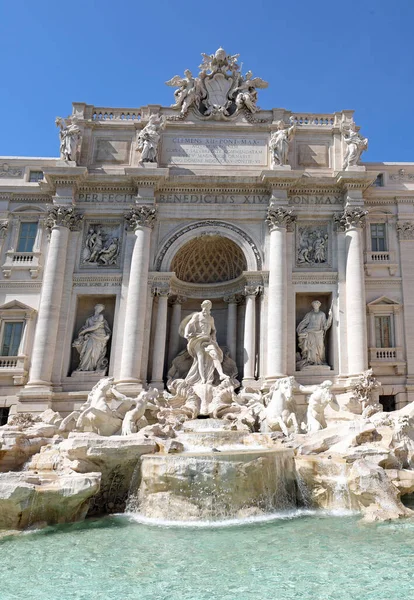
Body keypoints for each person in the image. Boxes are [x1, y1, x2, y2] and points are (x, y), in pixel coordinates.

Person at [181, 300, 227, 385]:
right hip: (198, 338)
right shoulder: (197, 315)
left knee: (215, 354)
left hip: (208, 340)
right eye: (205, 306)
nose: (207, 308)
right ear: (202, 306)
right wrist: (186, 333)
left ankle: (221, 374)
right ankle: (203, 379)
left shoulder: (210, 318)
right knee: (200, 359)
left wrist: (214, 339)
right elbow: (190, 324)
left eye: (208, 306)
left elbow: (213, 330)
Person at [72, 304, 111, 372]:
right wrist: (82, 333)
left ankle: (92, 368)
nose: (99, 309)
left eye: (101, 309)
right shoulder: (89, 319)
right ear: (95, 308)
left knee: (96, 352)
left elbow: (95, 327)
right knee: (88, 350)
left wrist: (84, 331)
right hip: (91, 336)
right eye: (98, 308)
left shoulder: (101, 316)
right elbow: (85, 327)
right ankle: (83, 367)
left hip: (100, 335)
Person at [296, 300, 332, 368]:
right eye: (314, 304)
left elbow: (325, 325)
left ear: (319, 305)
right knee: (311, 347)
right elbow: (304, 323)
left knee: (320, 347)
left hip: (319, 333)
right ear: (313, 306)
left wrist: (330, 317)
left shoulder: (322, 314)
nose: (316, 306)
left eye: (317, 304)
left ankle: (319, 361)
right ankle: (311, 362)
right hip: (310, 332)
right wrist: (300, 330)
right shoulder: (309, 314)